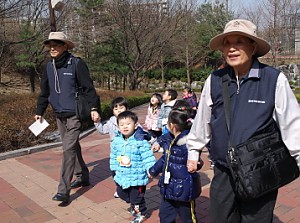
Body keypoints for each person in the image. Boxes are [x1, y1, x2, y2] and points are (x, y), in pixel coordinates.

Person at [186, 19, 300, 223]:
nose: (231, 48)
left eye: (239, 42)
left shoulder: (273, 79)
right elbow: (203, 120)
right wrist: (193, 151)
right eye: (227, 43)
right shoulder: (214, 80)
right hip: (224, 171)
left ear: (253, 46)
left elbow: (293, 126)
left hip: (260, 170)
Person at [35, 32, 100, 204]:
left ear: (65, 46)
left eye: (56, 44)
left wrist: (94, 108)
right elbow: (44, 92)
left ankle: (63, 190)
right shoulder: (49, 67)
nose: (52, 48)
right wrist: (39, 111)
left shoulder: (76, 64)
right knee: (72, 147)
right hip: (59, 115)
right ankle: (83, 175)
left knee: (67, 150)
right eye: (50, 45)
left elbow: (88, 88)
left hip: (74, 115)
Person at [149, 107, 202, 223]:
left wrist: (196, 165)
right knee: (165, 216)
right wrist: (153, 170)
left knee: (188, 217)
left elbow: (198, 160)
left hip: (185, 189)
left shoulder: (190, 142)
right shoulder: (168, 140)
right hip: (168, 188)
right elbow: (165, 159)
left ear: (172, 125)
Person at [110, 111, 156, 223]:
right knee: (121, 193)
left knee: (137, 198)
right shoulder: (117, 141)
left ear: (135, 125)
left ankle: (141, 213)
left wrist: (151, 169)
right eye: (121, 124)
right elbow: (113, 156)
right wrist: (114, 169)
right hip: (123, 175)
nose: (125, 127)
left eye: (128, 124)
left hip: (137, 177)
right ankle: (134, 205)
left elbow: (148, 157)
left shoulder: (140, 141)